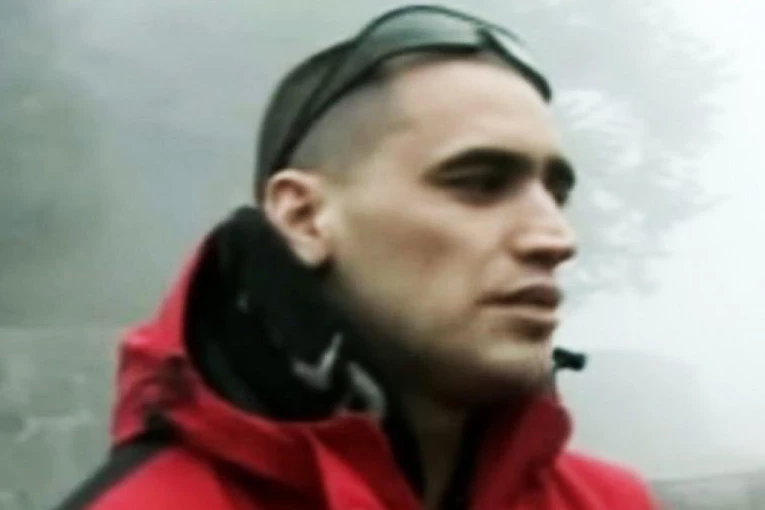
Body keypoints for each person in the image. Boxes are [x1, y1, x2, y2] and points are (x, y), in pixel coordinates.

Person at [56, 5, 659, 510]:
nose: (556, 238)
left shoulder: (611, 502)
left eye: (555, 194)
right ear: (303, 217)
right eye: (478, 182)